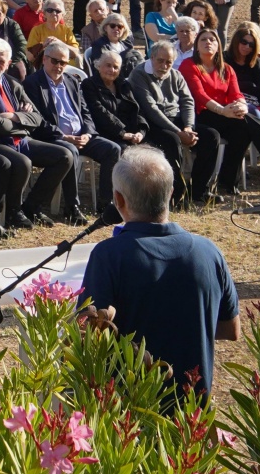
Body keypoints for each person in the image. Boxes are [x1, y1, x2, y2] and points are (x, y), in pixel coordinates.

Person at [82, 146, 239, 401]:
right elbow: (231, 329)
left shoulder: (109, 255)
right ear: (171, 194)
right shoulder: (209, 252)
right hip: (192, 417)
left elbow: (90, 335)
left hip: (130, 416)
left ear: (118, 200)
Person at [181, 29, 260, 201]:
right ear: (196, 45)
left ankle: (228, 182)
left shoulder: (226, 68)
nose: (208, 42)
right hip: (200, 114)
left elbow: (237, 94)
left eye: (212, 39)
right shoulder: (189, 65)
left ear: (218, 45)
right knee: (244, 122)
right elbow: (200, 96)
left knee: (242, 129)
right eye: (203, 39)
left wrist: (241, 105)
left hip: (224, 114)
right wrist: (223, 110)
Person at [26, 40, 121, 224]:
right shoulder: (32, 83)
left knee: (113, 149)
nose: (59, 66)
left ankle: (105, 203)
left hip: (81, 135)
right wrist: (63, 136)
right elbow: (37, 120)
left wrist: (88, 133)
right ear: (44, 59)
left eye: (64, 63)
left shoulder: (72, 81)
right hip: (54, 138)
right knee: (70, 150)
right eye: (55, 61)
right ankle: (72, 207)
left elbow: (85, 112)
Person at [129, 41, 201, 205]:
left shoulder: (176, 75)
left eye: (168, 62)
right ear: (152, 57)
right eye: (160, 60)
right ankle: (175, 195)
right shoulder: (139, 74)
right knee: (172, 141)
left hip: (177, 119)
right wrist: (179, 133)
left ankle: (198, 190)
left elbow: (187, 101)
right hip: (152, 122)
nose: (164, 65)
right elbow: (150, 108)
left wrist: (189, 127)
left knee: (211, 136)